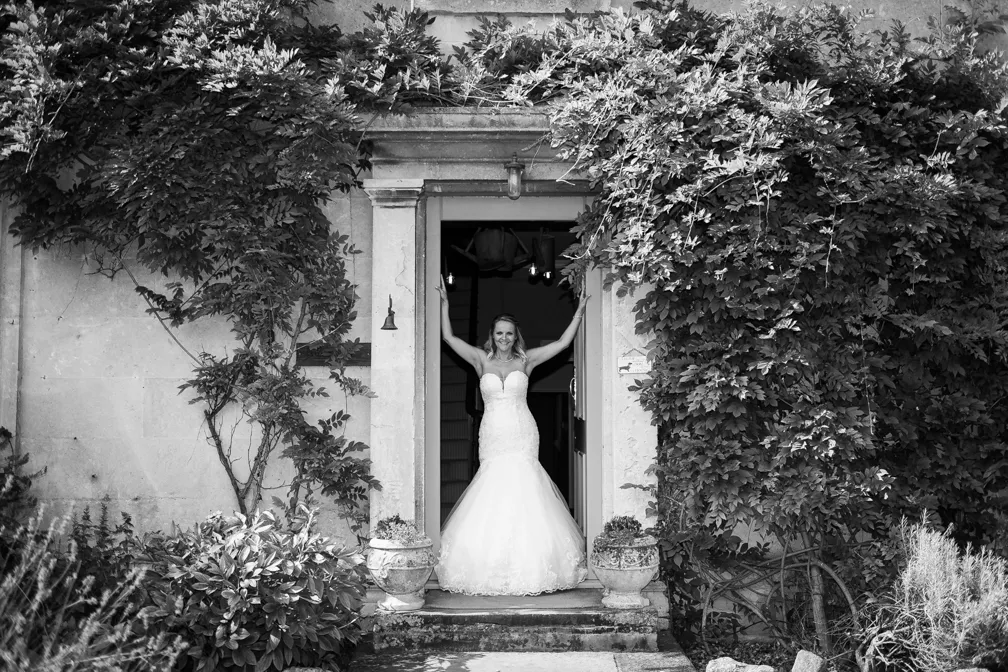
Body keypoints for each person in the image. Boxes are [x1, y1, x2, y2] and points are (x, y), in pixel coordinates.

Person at [434, 274, 589, 595]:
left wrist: (580, 311)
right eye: (499, 333)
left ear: (516, 336)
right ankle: (489, 564)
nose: (504, 338)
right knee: (492, 484)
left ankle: (532, 565)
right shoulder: (480, 359)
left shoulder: (526, 360)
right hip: (492, 432)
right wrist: (445, 304)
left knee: (525, 483)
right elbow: (448, 338)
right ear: (491, 336)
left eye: (509, 333)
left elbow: (561, 345)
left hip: (522, 430)